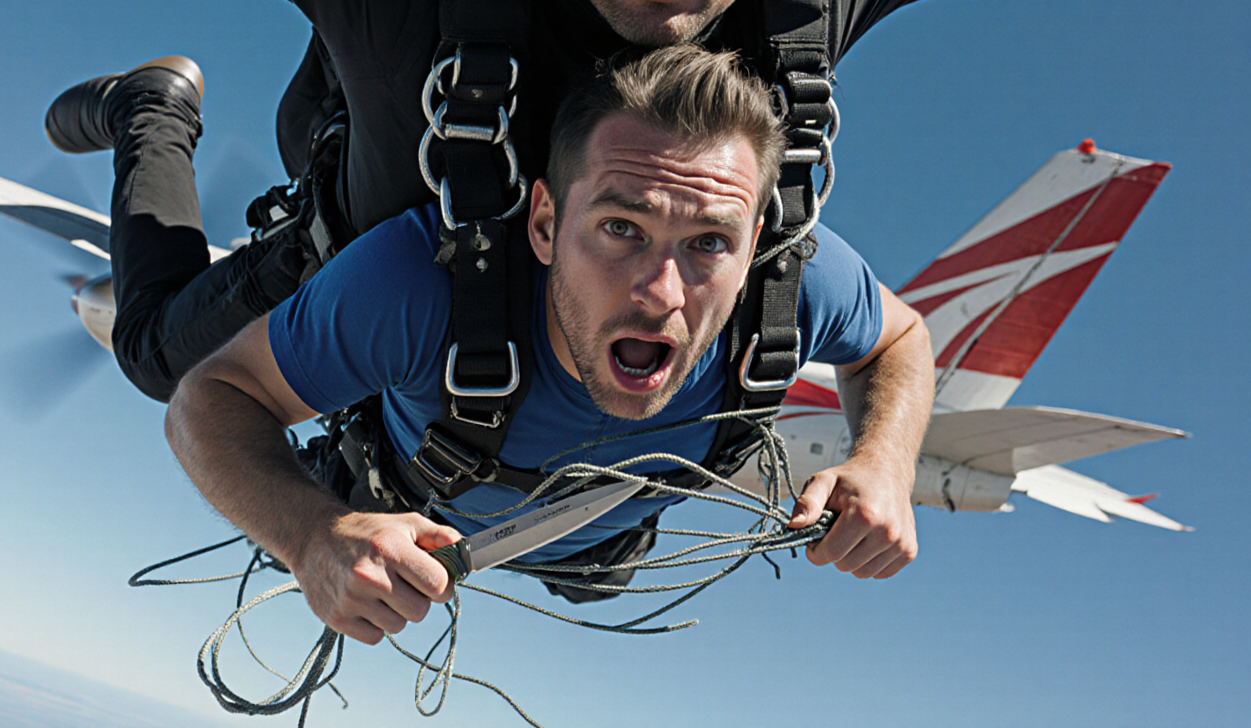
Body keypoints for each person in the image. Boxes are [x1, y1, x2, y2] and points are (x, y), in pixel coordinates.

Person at [164, 46, 934, 644]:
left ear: (753, 244)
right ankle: (154, 120)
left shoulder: (796, 286)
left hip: (599, 547)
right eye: (621, 229)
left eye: (707, 243)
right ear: (542, 224)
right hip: (404, 504)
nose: (662, 291)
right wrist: (310, 534)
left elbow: (899, 335)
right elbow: (210, 396)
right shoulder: (417, 285)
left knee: (595, 577)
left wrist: (885, 460)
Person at [46, 0, 1049, 404]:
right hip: (362, 237)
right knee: (157, 356)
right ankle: (155, 111)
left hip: (563, 385)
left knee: (598, 563)